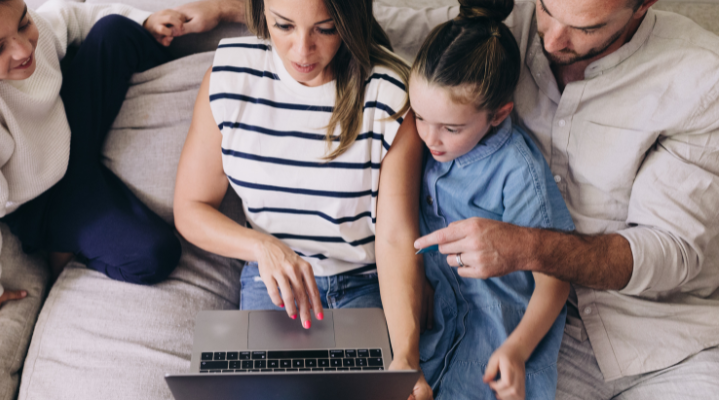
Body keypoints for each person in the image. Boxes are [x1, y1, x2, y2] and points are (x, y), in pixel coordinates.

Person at [190, 0, 719, 398]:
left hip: (646, 334)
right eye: (548, 10)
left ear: (642, 6)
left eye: (586, 27)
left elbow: (671, 252)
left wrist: (528, 248)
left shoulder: (698, 79)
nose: (553, 38)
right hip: (489, 319)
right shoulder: (498, 26)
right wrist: (238, 9)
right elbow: (361, 21)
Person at [173, 0, 427, 381]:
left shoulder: (391, 95)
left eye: (325, 29)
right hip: (273, 284)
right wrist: (263, 248)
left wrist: (407, 358)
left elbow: (395, 239)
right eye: (284, 26)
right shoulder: (230, 78)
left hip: (362, 284)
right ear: (261, 12)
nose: (302, 50)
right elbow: (190, 207)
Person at [0, 0, 193, 339]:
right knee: (155, 256)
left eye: (23, 23)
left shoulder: (12, 26)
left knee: (117, 30)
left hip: (64, 129)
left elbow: (71, 17)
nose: (24, 49)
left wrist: (147, 20)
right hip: (40, 200)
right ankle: (62, 246)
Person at [408, 1, 573, 398]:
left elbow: (555, 279)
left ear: (498, 115)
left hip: (497, 333)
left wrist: (516, 351)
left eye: (451, 128)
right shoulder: (424, 145)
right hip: (436, 323)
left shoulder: (517, 171)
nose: (430, 138)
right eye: (419, 117)